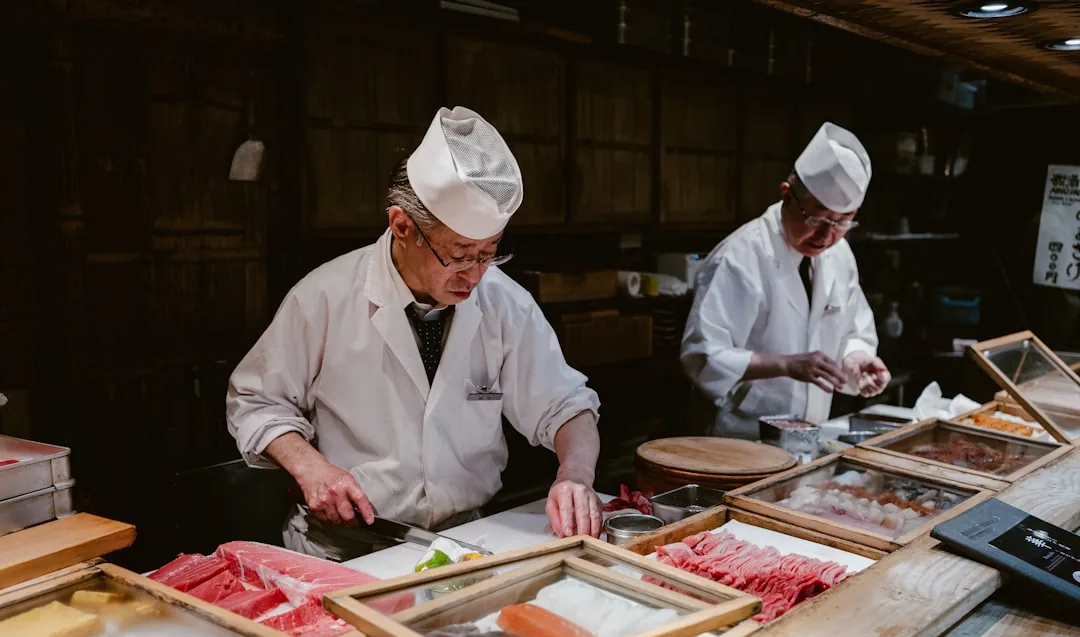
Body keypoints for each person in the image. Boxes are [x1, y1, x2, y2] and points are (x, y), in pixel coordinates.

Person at [227, 106, 603, 560]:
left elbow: (568, 407)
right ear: (402, 226)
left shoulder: (506, 303)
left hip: (467, 541)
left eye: (489, 253)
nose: (476, 275)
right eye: (459, 254)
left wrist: (575, 477)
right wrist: (311, 468)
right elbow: (256, 400)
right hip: (344, 549)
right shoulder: (324, 296)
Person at [681, 122, 891, 439]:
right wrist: (784, 364)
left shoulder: (840, 254)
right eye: (816, 218)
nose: (826, 236)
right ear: (786, 194)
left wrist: (856, 359)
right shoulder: (741, 255)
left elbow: (851, 328)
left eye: (842, 222)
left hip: (808, 433)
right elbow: (704, 354)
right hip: (739, 438)